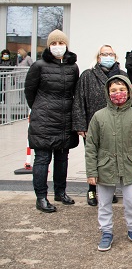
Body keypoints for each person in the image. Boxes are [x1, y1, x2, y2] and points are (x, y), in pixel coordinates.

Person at [85, 75, 132, 251]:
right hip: (105, 167)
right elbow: (91, 145)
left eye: (122, 90)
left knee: (131, 201)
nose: (118, 93)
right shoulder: (99, 116)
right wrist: (91, 171)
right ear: (107, 93)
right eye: (113, 90)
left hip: (129, 166)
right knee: (104, 203)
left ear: (129, 92)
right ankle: (106, 232)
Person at [24, 29, 79, 213]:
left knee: (62, 158)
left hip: (65, 118)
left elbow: (75, 92)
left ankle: (60, 192)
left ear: (66, 45)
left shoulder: (73, 67)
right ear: (48, 46)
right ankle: (41, 197)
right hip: (44, 119)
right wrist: (41, 107)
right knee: (43, 158)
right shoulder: (39, 66)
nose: (57, 47)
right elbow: (30, 92)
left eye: (60, 43)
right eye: (53, 44)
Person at [73, 44, 126, 206]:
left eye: (110, 54)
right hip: (92, 124)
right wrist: (81, 125)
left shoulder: (122, 75)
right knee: (93, 157)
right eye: (104, 54)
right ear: (98, 57)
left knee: (111, 158)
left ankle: (108, 189)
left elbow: (128, 100)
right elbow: (79, 101)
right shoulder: (88, 76)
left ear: (115, 57)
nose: (107, 56)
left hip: (115, 125)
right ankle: (91, 189)